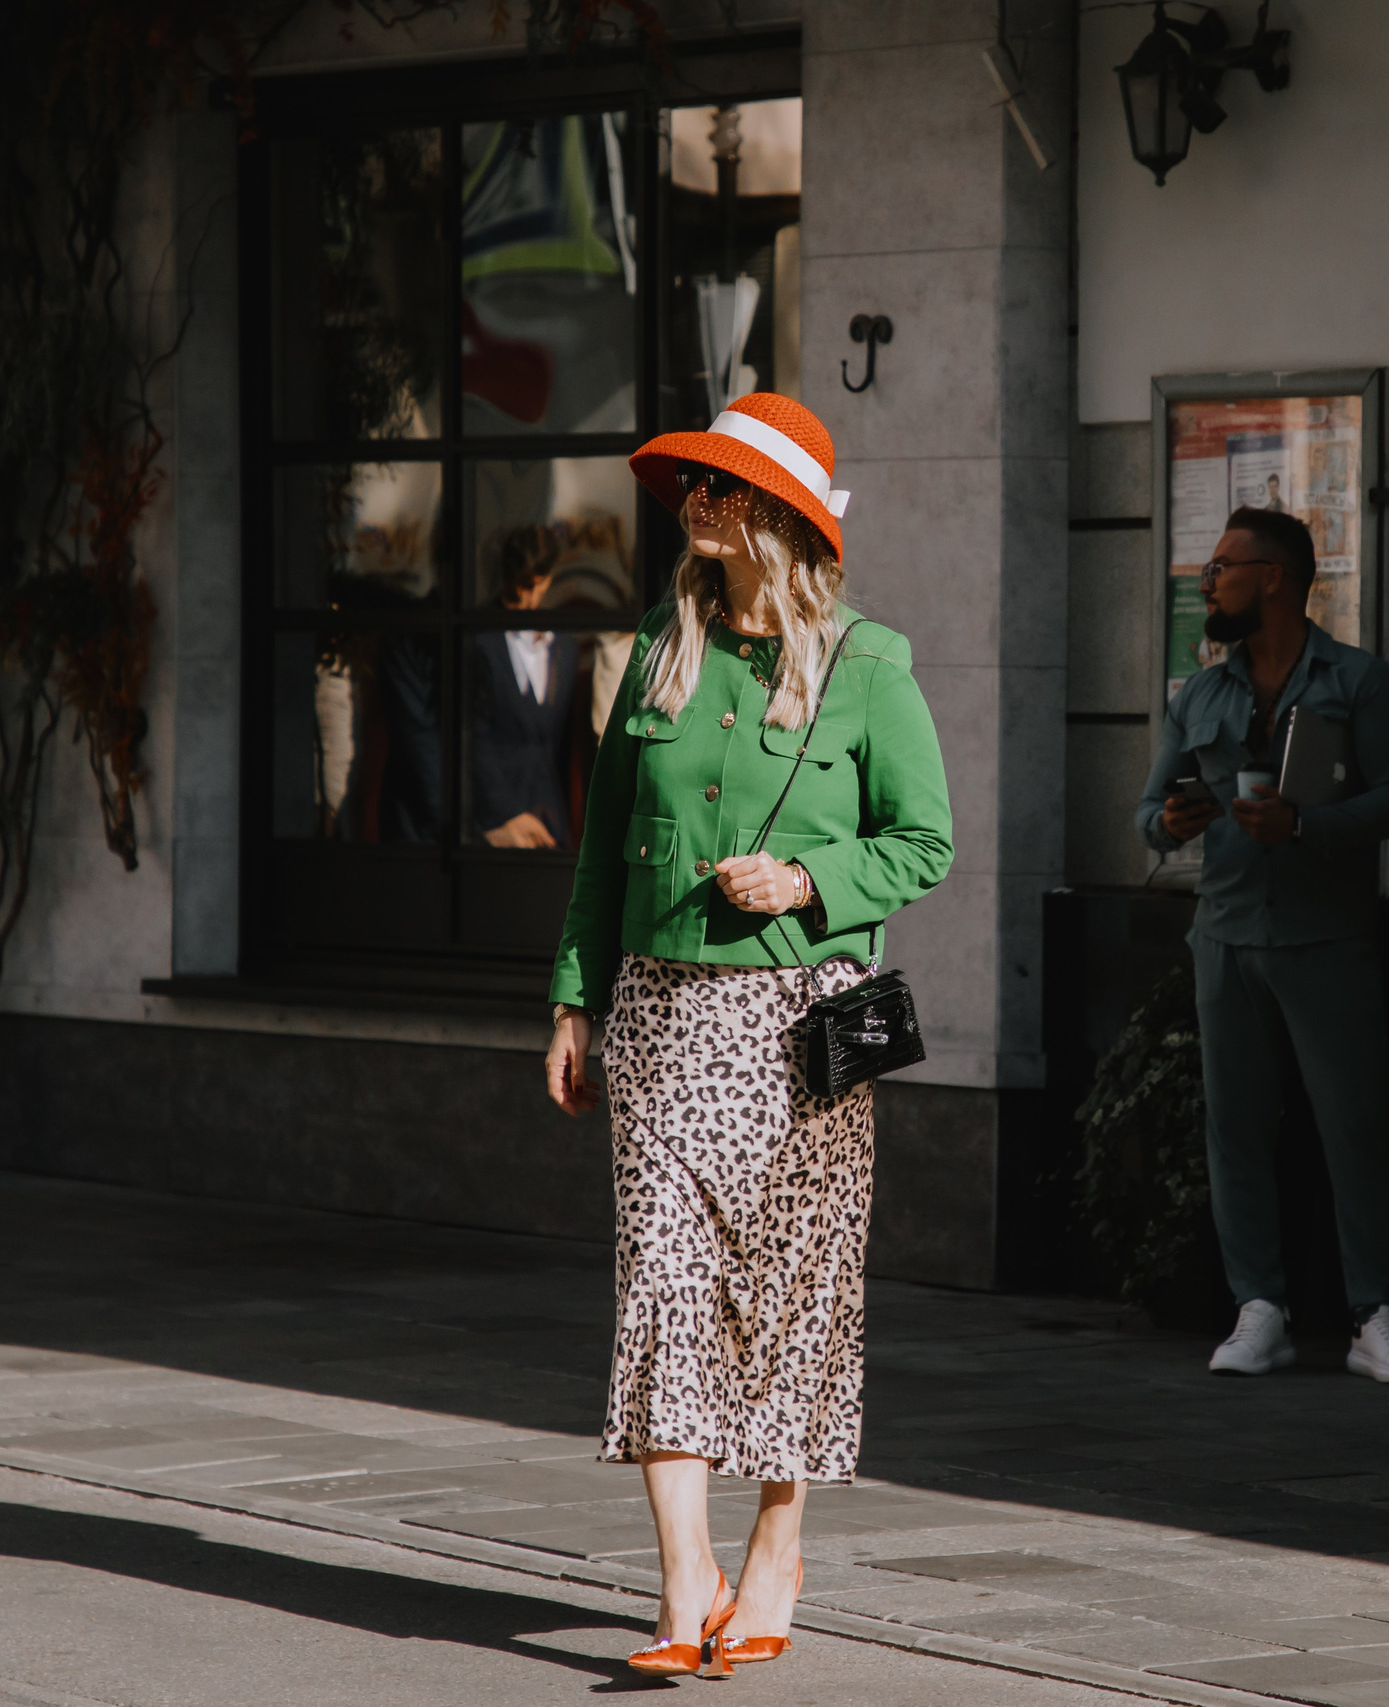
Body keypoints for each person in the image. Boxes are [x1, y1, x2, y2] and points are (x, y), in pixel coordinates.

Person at [545, 393, 951, 1677]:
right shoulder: (663, 652)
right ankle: (681, 1584)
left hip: (801, 1027)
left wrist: (810, 880)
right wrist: (573, 997)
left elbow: (923, 842)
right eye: (693, 489)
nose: (693, 507)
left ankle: (775, 1545)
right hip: (663, 1019)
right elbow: (602, 849)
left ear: (776, 515)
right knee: (663, 1286)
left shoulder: (869, 666)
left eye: (717, 489)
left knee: (794, 1293)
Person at [1136, 506, 1389, 1384]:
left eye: (1223, 565)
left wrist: (1306, 823)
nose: (1209, 580)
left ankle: (1377, 1315)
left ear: (1273, 576)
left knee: (1355, 1127)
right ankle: (1258, 1308)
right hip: (1224, 935)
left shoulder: (1360, 683)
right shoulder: (1202, 694)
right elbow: (1148, 815)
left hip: (1324, 938)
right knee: (1235, 1130)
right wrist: (1173, 819)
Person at [468, 527, 577, 849]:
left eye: (533, 585)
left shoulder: (566, 647)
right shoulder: (479, 638)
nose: (523, 599)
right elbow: (473, 735)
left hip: (551, 818)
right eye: (517, 585)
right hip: (492, 822)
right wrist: (503, 814)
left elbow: (562, 743)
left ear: (549, 579)